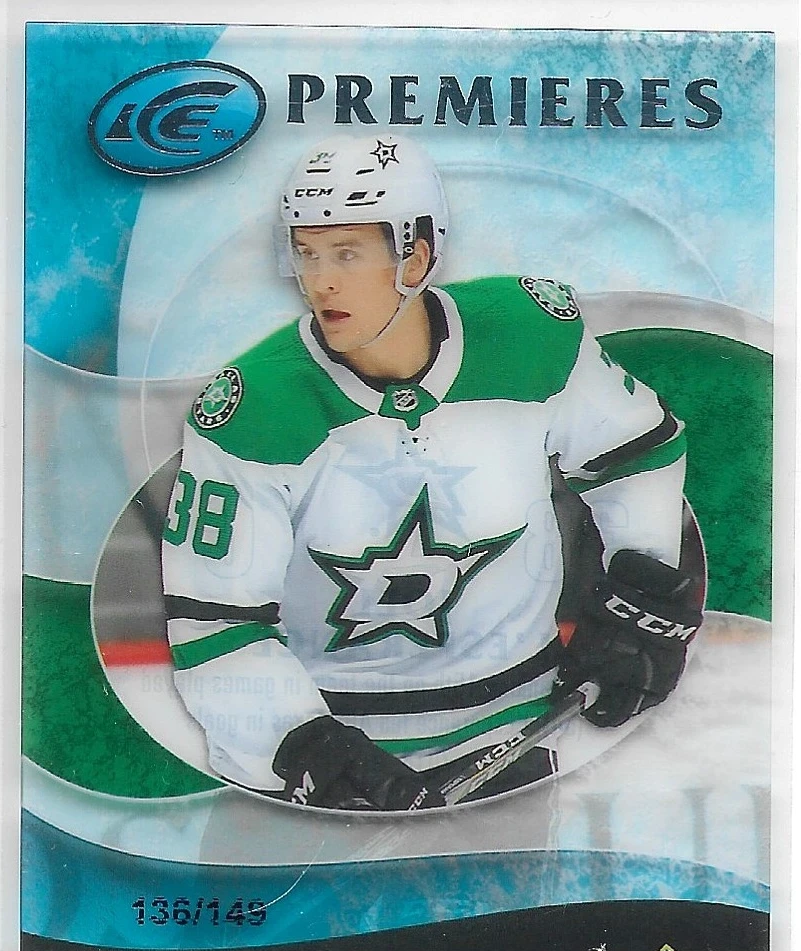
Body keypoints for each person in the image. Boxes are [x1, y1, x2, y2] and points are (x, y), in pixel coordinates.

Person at [161, 133, 702, 811]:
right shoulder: (254, 412)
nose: (319, 280)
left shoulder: (528, 337)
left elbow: (636, 452)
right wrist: (301, 744)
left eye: (347, 253)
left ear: (415, 255)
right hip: (323, 777)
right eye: (306, 252)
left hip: (516, 734)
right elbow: (213, 627)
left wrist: (639, 585)